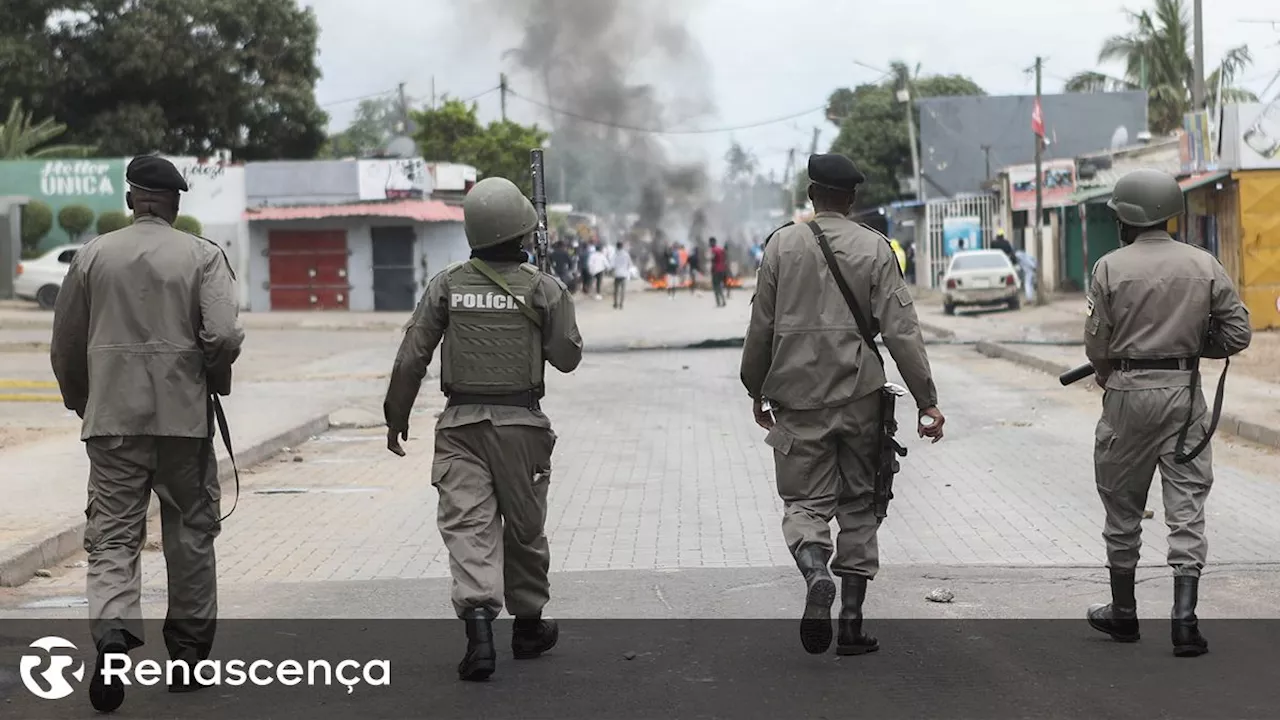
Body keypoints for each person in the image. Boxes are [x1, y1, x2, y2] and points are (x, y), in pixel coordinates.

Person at [50, 155, 243, 713]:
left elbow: (65, 345)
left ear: (131, 198)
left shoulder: (91, 256)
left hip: (112, 424)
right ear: (176, 204)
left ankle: (112, 642)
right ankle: (186, 660)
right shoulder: (204, 256)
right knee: (189, 534)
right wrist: (208, 375)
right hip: (184, 424)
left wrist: (86, 403)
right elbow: (225, 334)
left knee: (112, 537)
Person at [741, 153, 945, 657]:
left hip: (796, 399)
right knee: (860, 503)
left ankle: (814, 571)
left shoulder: (780, 246)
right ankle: (851, 625)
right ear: (851, 199)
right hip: (860, 397)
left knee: (805, 503)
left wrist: (754, 388)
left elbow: (760, 328)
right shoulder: (875, 249)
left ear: (812, 195)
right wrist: (927, 401)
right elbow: (902, 331)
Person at [383, 176, 583, 682]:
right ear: (521, 231)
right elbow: (567, 358)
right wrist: (553, 298)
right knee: (524, 528)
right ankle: (529, 626)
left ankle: (478, 636)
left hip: (461, 427)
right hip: (522, 427)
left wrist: (396, 415)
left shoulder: (447, 284)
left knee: (469, 528)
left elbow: (412, 357)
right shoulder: (542, 287)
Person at [1082, 169, 1251, 657]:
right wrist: (1194, 344)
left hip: (1127, 394)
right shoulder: (1205, 264)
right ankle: (1184, 622)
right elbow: (1237, 334)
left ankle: (1124, 614)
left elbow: (1097, 342)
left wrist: (1108, 369)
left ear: (1128, 219)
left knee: (1122, 506)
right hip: (1184, 395)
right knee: (1186, 507)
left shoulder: (1108, 268)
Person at [611, 240, 633, 309]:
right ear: (622, 246)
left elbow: (612, 265)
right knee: (623, 290)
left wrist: (612, 270)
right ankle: (621, 304)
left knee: (616, 290)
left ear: (616, 246)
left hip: (617, 274)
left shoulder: (615, 254)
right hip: (624, 274)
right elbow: (630, 264)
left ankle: (615, 304)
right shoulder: (626, 254)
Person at [709, 237, 729, 307]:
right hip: (722, 270)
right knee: (720, 285)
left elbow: (713, 260)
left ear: (712, 242)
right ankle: (723, 300)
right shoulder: (721, 249)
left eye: (710, 242)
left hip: (716, 270)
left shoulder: (713, 250)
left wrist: (712, 269)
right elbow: (725, 258)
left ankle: (719, 302)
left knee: (716, 286)